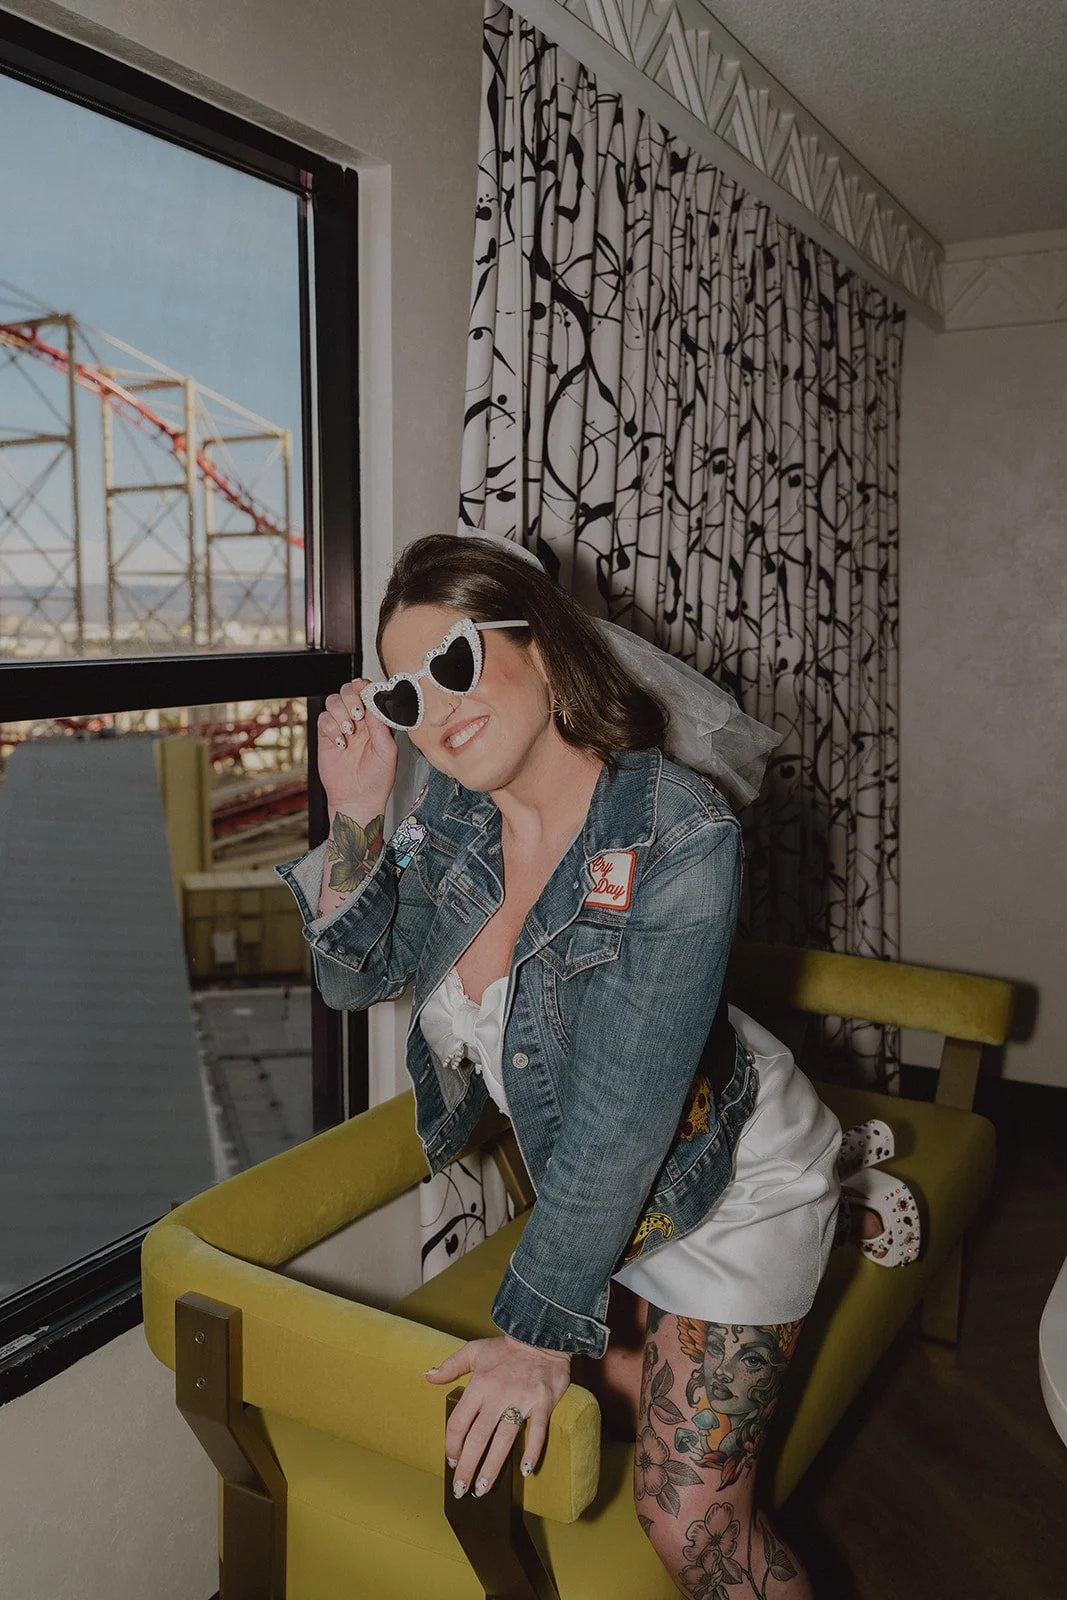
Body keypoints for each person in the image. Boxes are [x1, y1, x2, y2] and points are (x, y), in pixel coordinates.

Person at [277, 532, 855, 1597]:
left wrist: (533, 1329)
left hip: (723, 1178)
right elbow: (355, 978)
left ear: (540, 642)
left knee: (690, 1523)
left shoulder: (678, 833)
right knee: (622, 1382)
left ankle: (835, 1189)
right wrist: (358, 810)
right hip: (605, 1200)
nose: (434, 712)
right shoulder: (448, 816)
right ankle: (863, 1196)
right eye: (403, 696)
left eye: (451, 662)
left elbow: (623, 1115)